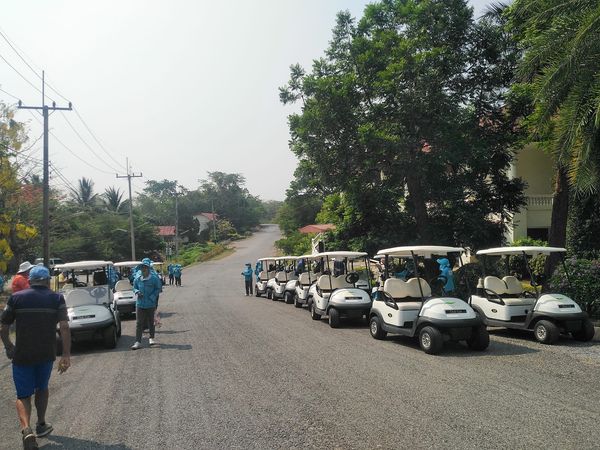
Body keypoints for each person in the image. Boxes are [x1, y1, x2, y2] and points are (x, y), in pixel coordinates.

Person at [1, 265, 71, 450]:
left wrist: (9, 346)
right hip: (46, 354)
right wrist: (65, 354)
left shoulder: (16, 298)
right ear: (48, 281)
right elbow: (64, 327)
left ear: (30, 281)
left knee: (23, 395)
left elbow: (3, 327)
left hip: (22, 354)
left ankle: (26, 429)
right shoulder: (56, 298)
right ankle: (41, 424)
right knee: (42, 388)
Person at [131, 260, 162, 350]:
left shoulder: (154, 279)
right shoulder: (137, 279)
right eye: (142, 268)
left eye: (145, 267)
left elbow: (158, 288)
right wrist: (137, 291)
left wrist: (152, 297)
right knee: (139, 323)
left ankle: (151, 338)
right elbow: (134, 287)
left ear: (148, 269)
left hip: (150, 304)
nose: (143, 269)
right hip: (140, 304)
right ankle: (137, 342)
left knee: (151, 322)